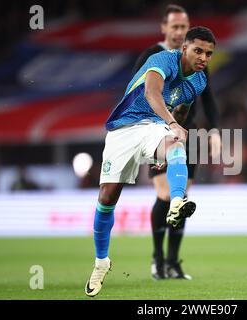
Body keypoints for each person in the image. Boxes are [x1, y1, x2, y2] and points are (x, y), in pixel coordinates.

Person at [85, 26, 217, 297]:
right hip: (124, 128)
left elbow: (182, 108)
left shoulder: (200, 80)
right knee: (107, 197)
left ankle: (177, 202)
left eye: (209, 53)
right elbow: (152, 94)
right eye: (198, 50)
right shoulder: (161, 60)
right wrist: (173, 123)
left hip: (154, 127)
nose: (203, 57)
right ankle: (101, 263)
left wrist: (166, 146)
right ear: (184, 49)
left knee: (176, 144)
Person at [133, 4, 221, 281]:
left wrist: (215, 130)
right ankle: (158, 259)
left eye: (184, 27)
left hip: (190, 133)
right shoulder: (153, 56)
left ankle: (173, 261)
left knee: (181, 198)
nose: (179, 31)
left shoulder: (197, 59)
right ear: (164, 28)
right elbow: (137, 90)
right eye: (175, 27)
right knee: (165, 195)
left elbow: (209, 98)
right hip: (159, 134)